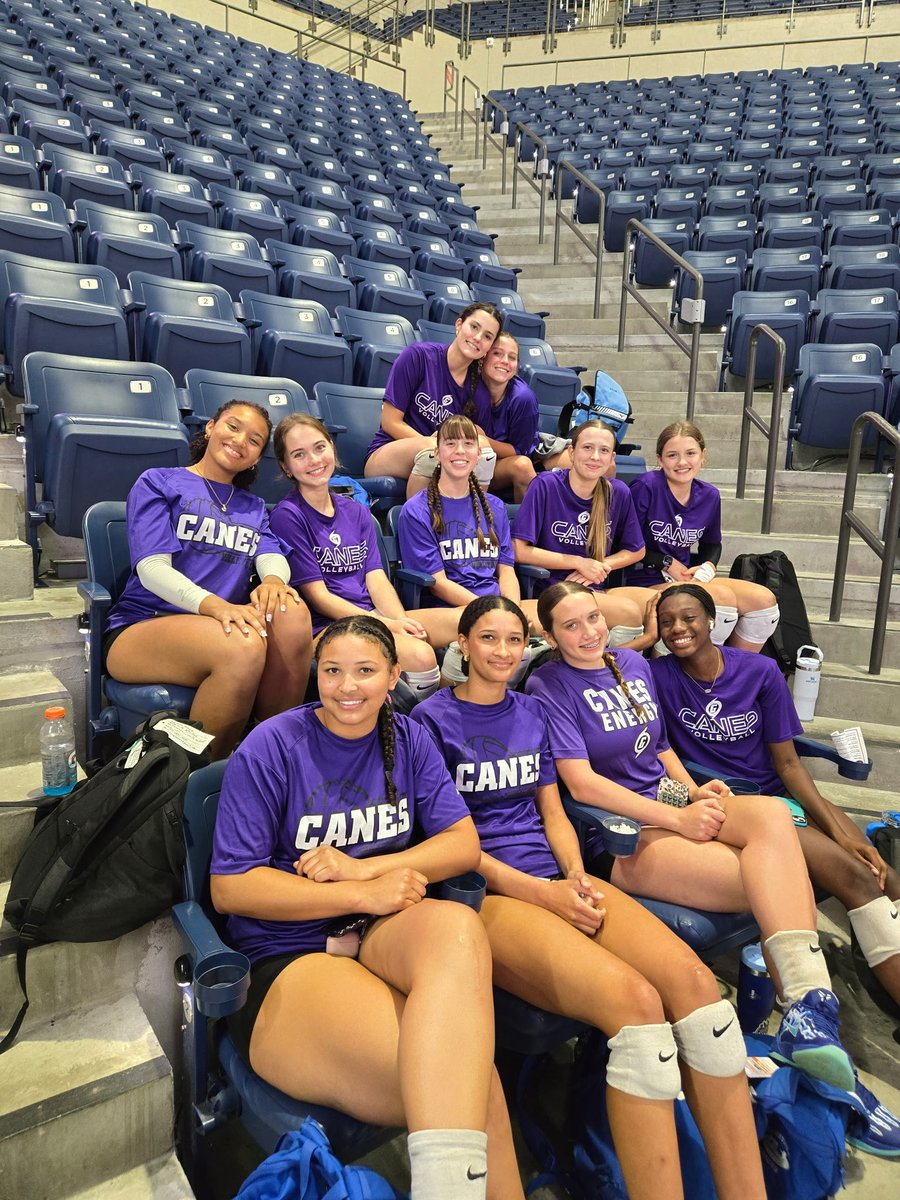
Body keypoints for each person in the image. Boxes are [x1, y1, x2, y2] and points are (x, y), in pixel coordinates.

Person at [411, 595, 766, 1200]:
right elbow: (454, 844)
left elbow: (552, 810)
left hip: (558, 876)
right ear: (462, 645)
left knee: (700, 992)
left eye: (514, 641)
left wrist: (573, 872)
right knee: (637, 1007)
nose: (502, 652)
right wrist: (545, 896)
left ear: (528, 648)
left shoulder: (530, 711)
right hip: (488, 895)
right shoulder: (428, 723)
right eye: (488, 639)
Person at [210, 616, 526, 1200]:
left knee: (459, 925)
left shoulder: (407, 736)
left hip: (378, 929)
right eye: (331, 671)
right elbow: (232, 886)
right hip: (291, 956)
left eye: (364, 671)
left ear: (393, 676)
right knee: (470, 1084)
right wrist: (356, 895)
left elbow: (462, 844)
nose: (347, 687)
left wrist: (363, 872)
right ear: (315, 675)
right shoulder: (272, 745)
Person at [526, 580, 856, 1092]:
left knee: (771, 816)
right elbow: (581, 782)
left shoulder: (632, 666)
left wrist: (693, 793)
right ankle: (807, 1012)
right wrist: (676, 820)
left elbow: (658, 750)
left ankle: (808, 1007)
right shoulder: (550, 685)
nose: (589, 631)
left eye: (593, 617)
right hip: (620, 834)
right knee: (779, 883)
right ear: (550, 634)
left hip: (668, 804)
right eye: (571, 625)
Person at [652, 584, 900, 1010]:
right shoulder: (654, 676)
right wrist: (641, 636)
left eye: (689, 617)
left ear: (713, 620)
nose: (678, 628)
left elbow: (788, 764)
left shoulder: (759, 671)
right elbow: (608, 664)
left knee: (886, 875)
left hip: (778, 790)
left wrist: (841, 830)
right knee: (857, 876)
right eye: (666, 621)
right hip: (738, 806)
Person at [104, 401, 312, 759]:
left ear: (255, 458)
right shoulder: (159, 481)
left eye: (254, 440)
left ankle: (271, 754)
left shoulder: (253, 506)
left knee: (291, 611)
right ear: (211, 427)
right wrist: (215, 606)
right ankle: (197, 781)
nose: (240, 440)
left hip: (221, 623)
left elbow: (270, 554)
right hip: (145, 624)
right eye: (233, 427)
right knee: (242, 645)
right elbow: (151, 570)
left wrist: (274, 581)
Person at [270, 412, 461, 698]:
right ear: (286, 467)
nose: (314, 460)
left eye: (319, 448)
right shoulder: (289, 515)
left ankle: (449, 710)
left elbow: (376, 578)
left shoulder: (356, 511)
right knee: (421, 656)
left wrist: (399, 621)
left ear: (332, 449)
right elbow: (320, 598)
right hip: (326, 627)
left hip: (372, 616)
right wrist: (388, 626)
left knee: (474, 620)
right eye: (299, 455)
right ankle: (416, 727)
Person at [625, 421, 780, 653]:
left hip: (685, 577)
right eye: (672, 455)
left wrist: (708, 565)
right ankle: (677, 670)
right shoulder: (646, 487)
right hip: (642, 578)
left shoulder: (709, 495)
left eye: (690, 453)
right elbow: (625, 542)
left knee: (764, 601)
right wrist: (666, 562)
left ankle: (732, 673)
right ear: (659, 459)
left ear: (703, 456)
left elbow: (711, 543)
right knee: (721, 598)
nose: (682, 462)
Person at [396, 414, 539, 658]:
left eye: (468, 444)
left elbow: (506, 571)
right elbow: (439, 584)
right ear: (437, 453)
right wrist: (492, 610)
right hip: (450, 609)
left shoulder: (494, 506)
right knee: (493, 631)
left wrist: (512, 607)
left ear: (478, 454)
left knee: (557, 613)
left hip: (497, 604)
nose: (460, 451)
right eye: (450, 443)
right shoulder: (416, 510)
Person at [511, 419, 656, 650]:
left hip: (594, 588)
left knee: (661, 605)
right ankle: (607, 670)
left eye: (604, 450)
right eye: (587, 448)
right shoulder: (546, 485)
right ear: (571, 451)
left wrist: (599, 565)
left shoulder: (617, 492)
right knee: (629, 612)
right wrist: (579, 563)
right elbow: (519, 550)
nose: (595, 457)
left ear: (612, 458)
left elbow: (637, 549)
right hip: (554, 588)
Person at [363, 302, 502, 496]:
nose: (478, 338)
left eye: (487, 336)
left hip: (443, 459)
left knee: (484, 451)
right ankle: (416, 523)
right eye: (474, 327)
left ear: (489, 347)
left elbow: (477, 441)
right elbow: (389, 422)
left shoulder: (479, 392)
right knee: (433, 452)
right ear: (459, 325)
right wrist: (439, 447)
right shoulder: (417, 357)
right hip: (388, 452)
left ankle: (470, 519)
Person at [476, 332, 567, 501]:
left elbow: (520, 451)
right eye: (497, 353)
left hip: (504, 460)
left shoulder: (523, 398)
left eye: (512, 357)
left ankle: (528, 525)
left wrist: (482, 440)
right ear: (483, 357)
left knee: (523, 466)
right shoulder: (468, 385)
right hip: (469, 458)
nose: (505, 361)